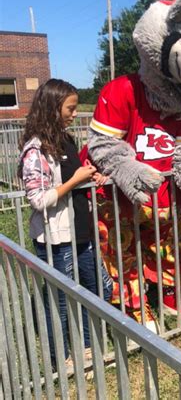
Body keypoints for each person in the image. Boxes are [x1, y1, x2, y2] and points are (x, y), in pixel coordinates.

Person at [18, 78, 112, 368]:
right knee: (60, 298)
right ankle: (61, 357)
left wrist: (89, 175)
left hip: (80, 229)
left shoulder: (66, 139)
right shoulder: (35, 150)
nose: (75, 113)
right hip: (56, 237)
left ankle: (85, 345)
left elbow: (73, 176)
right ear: (52, 107)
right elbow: (38, 199)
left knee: (99, 287)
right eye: (70, 108)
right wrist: (75, 181)